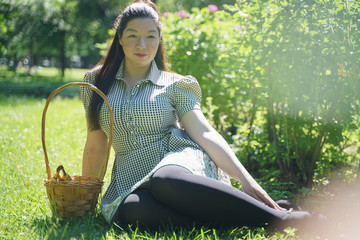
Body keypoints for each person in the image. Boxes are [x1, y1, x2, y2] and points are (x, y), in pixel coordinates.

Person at [81, 0, 311, 230]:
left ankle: (282, 220)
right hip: (132, 174)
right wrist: (85, 200)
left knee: (164, 181)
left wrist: (246, 180)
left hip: (177, 161)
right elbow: (95, 146)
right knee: (132, 210)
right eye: (132, 36)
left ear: (159, 39)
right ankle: (241, 218)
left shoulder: (175, 85)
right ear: (119, 38)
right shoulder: (97, 83)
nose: (142, 44)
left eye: (151, 36)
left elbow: (204, 132)